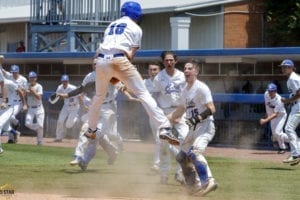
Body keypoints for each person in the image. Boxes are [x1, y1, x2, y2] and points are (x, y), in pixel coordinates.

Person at [85, 1, 178, 146]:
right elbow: (130, 55)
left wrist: (115, 76)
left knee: (98, 96)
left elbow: (102, 51)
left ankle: (91, 129)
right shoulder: (136, 27)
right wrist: (124, 74)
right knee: (143, 93)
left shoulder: (111, 25)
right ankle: (164, 127)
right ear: (136, 14)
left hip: (101, 61)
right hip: (120, 58)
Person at [57, 58, 138, 170]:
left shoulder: (110, 75)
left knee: (106, 134)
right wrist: (66, 95)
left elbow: (121, 87)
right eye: (94, 64)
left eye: (98, 64)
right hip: (96, 106)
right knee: (89, 131)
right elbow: (81, 89)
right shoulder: (90, 76)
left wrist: (130, 97)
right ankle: (79, 156)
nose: (96, 66)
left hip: (109, 108)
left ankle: (117, 144)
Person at [168, 59, 218, 196]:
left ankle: (209, 181)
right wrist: (165, 120)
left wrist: (197, 118)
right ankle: (193, 186)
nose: (186, 71)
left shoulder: (201, 87)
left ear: (196, 71)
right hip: (193, 129)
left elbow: (212, 109)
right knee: (181, 157)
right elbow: (179, 110)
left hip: (205, 126)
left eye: (190, 68)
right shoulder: (185, 90)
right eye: (185, 69)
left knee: (195, 153)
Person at [151, 51, 189, 184]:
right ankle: (164, 174)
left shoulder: (183, 76)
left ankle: (179, 172)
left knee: (183, 141)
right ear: (163, 62)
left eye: (171, 60)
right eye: (166, 60)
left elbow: (188, 96)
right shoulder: (158, 78)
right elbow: (154, 98)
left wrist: (179, 113)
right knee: (163, 143)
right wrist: (159, 115)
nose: (169, 62)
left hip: (180, 112)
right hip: (165, 113)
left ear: (175, 61)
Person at [279, 59, 300, 166]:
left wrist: (287, 101)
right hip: (295, 105)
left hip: (298, 106)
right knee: (290, 129)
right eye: (282, 67)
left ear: (291, 68)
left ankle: (296, 155)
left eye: (285, 67)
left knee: (288, 128)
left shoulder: (294, 78)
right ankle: (296, 154)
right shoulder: (291, 79)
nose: (283, 69)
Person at [259, 83, 289, 154]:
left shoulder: (279, 99)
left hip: (281, 116)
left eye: (271, 91)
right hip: (272, 115)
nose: (269, 92)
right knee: (275, 135)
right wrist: (267, 114)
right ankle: (285, 146)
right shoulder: (266, 94)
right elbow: (267, 105)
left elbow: (276, 114)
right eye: (269, 91)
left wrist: (265, 120)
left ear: (275, 91)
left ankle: (290, 143)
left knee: (278, 132)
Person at [1, 64, 28, 143]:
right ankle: (11, 138)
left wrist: (24, 104)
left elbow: (25, 92)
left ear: (18, 72)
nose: (14, 74)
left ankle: (16, 124)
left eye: (15, 72)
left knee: (10, 116)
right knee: (8, 119)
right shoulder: (9, 76)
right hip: (10, 101)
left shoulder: (23, 79)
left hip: (18, 102)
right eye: (13, 72)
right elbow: (2, 70)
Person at [143, 62, 161, 173]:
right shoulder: (145, 83)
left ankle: (157, 164)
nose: (153, 72)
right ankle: (182, 157)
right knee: (160, 141)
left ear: (159, 71)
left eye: (155, 69)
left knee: (160, 140)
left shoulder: (164, 81)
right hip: (152, 115)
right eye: (151, 70)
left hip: (165, 115)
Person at [54, 74, 81, 142]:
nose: (64, 82)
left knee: (68, 125)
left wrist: (82, 105)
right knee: (60, 121)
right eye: (63, 81)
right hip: (66, 106)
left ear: (68, 81)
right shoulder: (59, 87)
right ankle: (58, 137)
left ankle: (76, 118)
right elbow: (57, 96)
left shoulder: (72, 87)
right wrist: (58, 96)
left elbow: (80, 96)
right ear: (61, 81)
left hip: (74, 107)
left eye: (66, 81)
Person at [24, 71, 45, 145]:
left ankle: (40, 141)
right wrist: (25, 92)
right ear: (29, 78)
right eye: (30, 78)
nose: (32, 79)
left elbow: (39, 97)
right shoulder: (26, 85)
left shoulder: (39, 86)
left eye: (33, 77)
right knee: (27, 124)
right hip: (30, 108)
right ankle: (37, 128)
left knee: (41, 126)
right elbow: (23, 94)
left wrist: (33, 91)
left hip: (39, 108)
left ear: (36, 78)